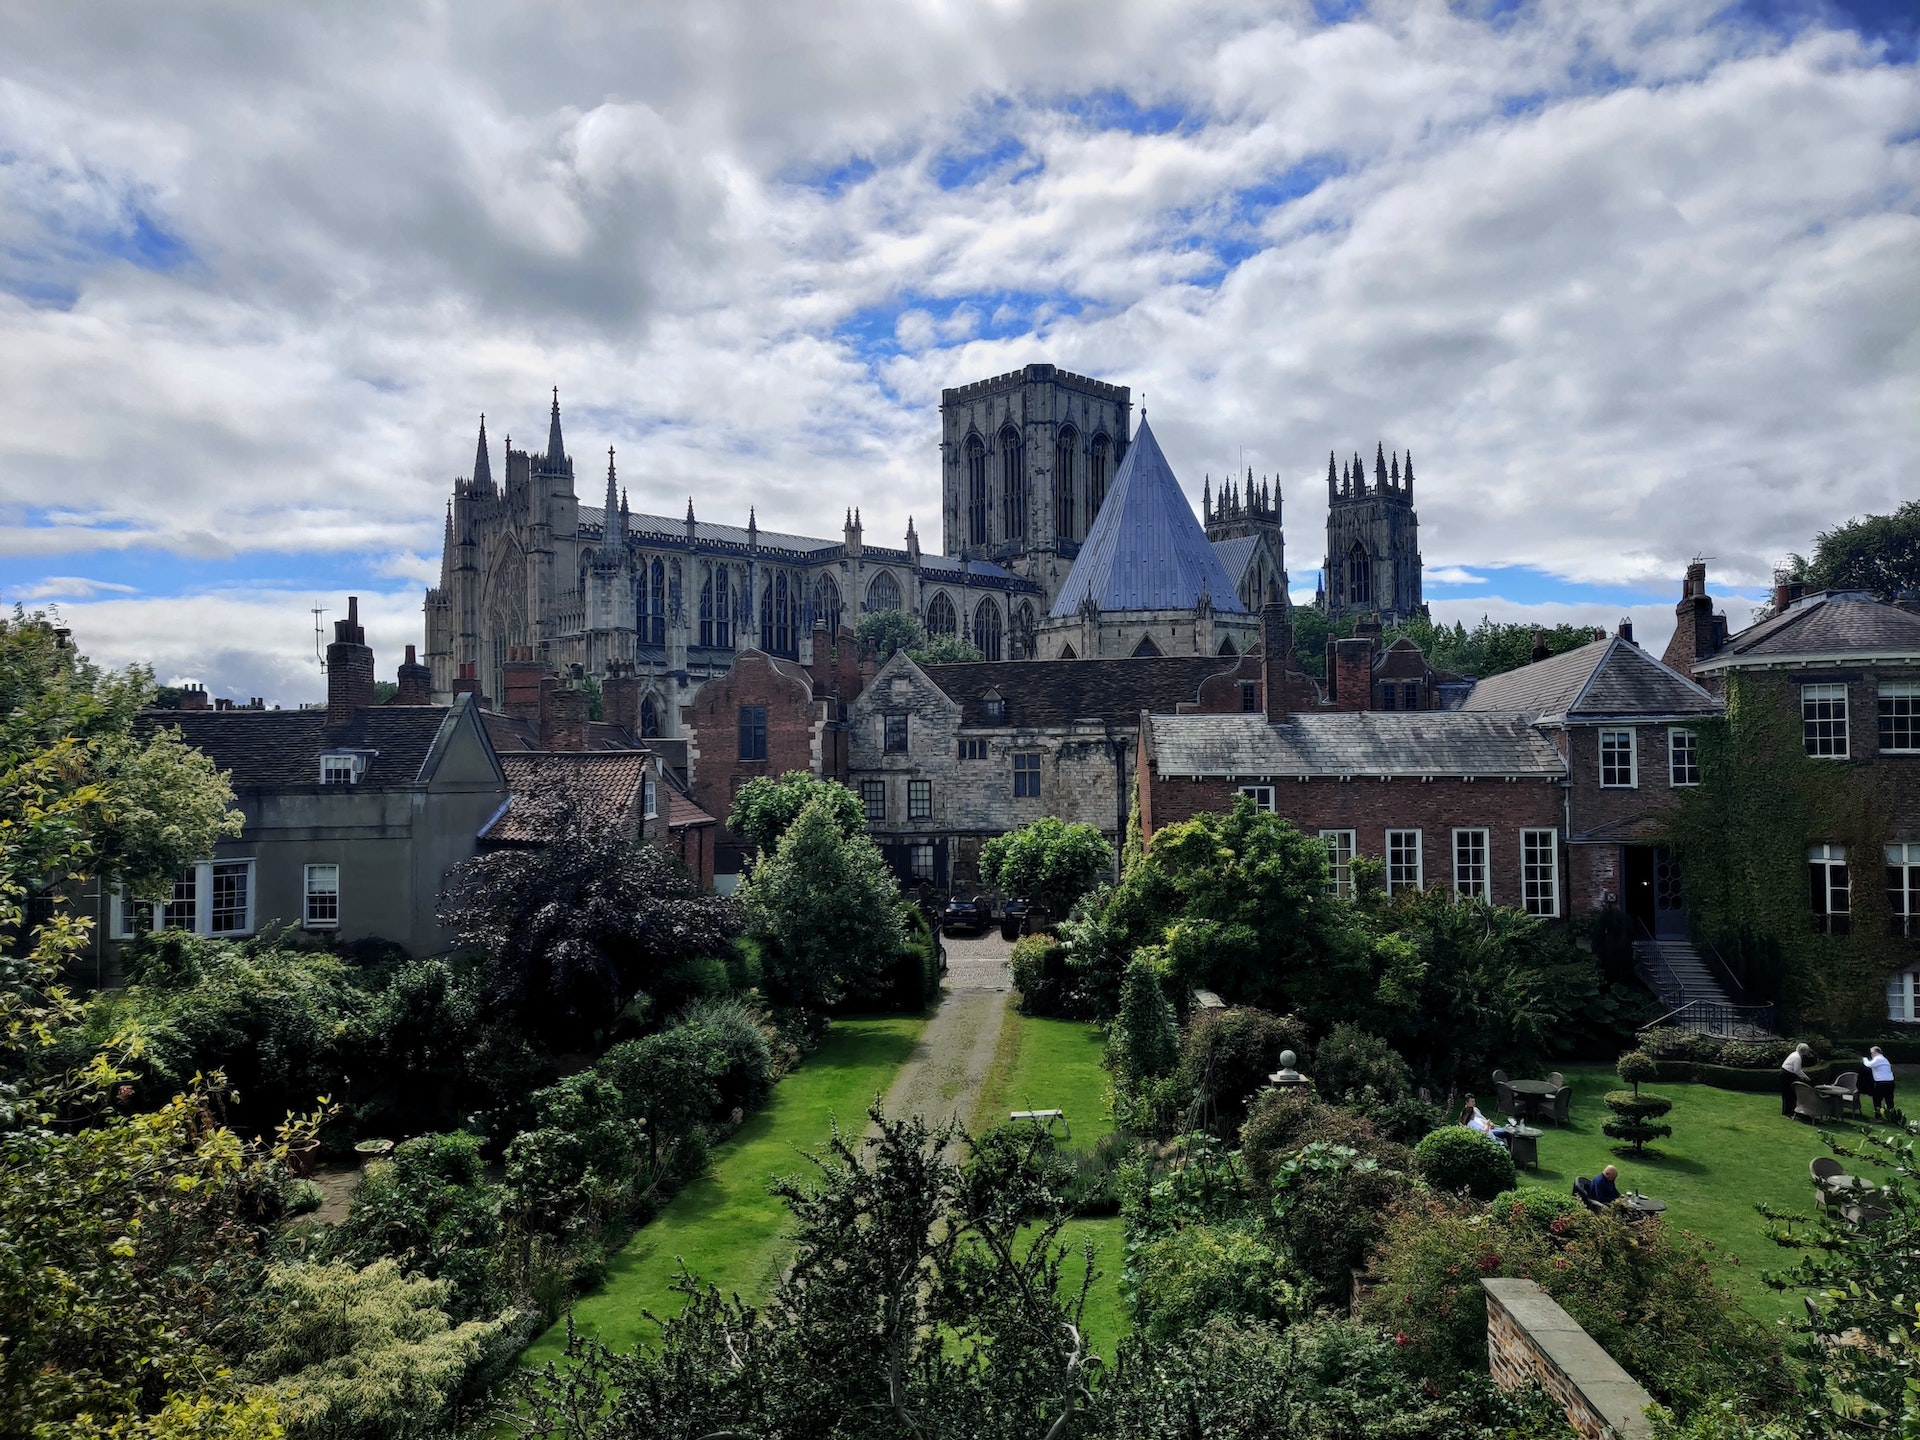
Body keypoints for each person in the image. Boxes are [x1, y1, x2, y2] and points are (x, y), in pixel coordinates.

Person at [1780, 1042, 1811, 1118]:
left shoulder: (1794, 1054)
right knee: (1790, 1094)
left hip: (1784, 1073)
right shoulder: (1797, 1058)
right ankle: (1788, 1112)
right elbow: (1796, 1070)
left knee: (1787, 1093)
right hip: (1787, 1075)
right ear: (1804, 1051)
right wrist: (1805, 1077)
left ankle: (1787, 1111)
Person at [1866, 1045, 1896, 1120]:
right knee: (1889, 1100)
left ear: (1875, 1052)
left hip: (1881, 1083)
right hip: (1890, 1082)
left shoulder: (1878, 1058)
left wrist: (1864, 1059)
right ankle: (1891, 1117)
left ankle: (1878, 1117)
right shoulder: (1884, 1059)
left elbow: (1869, 1064)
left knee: (1877, 1100)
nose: (1871, 1055)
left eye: (1872, 1053)